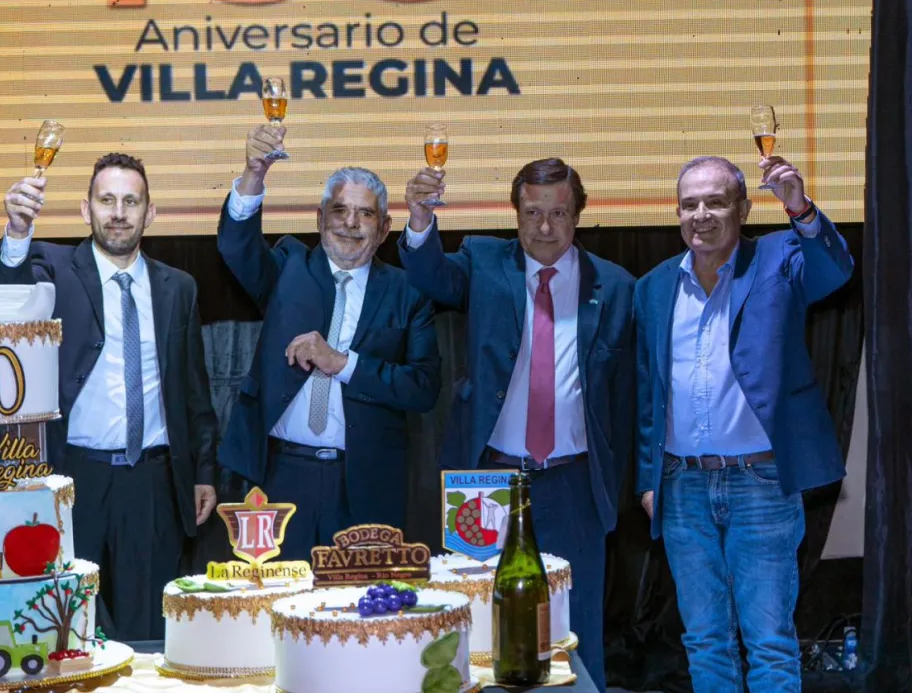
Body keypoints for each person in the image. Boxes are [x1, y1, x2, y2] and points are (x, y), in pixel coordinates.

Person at [400, 158, 635, 693]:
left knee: (576, 630)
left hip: (574, 484)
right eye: (532, 213)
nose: (545, 227)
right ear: (516, 213)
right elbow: (430, 275)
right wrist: (420, 219)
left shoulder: (616, 286)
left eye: (558, 213)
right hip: (488, 482)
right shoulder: (484, 262)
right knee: (479, 626)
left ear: (578, 215)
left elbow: (628, 397)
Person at [634, 155, 854, 692]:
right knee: (704, 642)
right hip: (682, 485)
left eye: (716, 202)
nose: (701, 215)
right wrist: (646, 480)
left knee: (770, 644)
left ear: (744, 209)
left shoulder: (778, 257)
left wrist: (800, 208)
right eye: (689, 204)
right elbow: (648, 392)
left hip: (761, 482)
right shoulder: (655, 286)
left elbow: (834, 270)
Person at [0, 153, 218, 641]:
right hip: (76, 477)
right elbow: (7, 296)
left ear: (150, 213)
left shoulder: (178, 288)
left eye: (131, 202)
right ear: (85, 208)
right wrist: (17, 231)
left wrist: (203, 472)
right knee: (69, 624)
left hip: (153, 480)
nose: (118, 213)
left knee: (149, 629)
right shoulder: (54, 270)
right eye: (107, 200)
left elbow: (194, 391)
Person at [217, 124, 441, 560]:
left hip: (366, 484)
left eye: (365, 214)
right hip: (281, 477)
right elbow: (235, 246)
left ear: (385, 228)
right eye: (339, 210)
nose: (350, 224)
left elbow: (424, 387)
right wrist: (254, 174)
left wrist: (344, 363)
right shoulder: (288, 267)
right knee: (279, 598)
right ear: (320, 219)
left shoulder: (407, 291)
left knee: (361, 601)